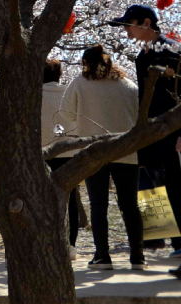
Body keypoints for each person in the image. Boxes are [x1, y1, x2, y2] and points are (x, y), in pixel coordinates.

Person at [109, 4, 181, 272]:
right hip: (151, 128)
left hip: (172, 127)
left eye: (129, 24)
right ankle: (159, 237)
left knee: (174, 184)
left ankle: (178, 241)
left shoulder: (171, 49)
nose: (126, 29)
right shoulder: (146, 52)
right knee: (150, 180)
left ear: (147, 23)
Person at [59, 44, 144, 270]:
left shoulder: (79, 83)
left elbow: (65, 113)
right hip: (125, 150)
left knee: (99, 204)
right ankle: (138, 256)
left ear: (85, 63)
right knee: (129, 205)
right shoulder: (128, 85)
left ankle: (102, 256)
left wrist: (80, 128)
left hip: (94, 151)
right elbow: (139, 115)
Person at [41, 58, 80, 261]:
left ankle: (43, 245)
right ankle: (70, 245)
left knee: (39, 198)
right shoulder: (68, 93)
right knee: (70, 200)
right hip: (69, 152)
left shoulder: (32, 95)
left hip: (42, 152)